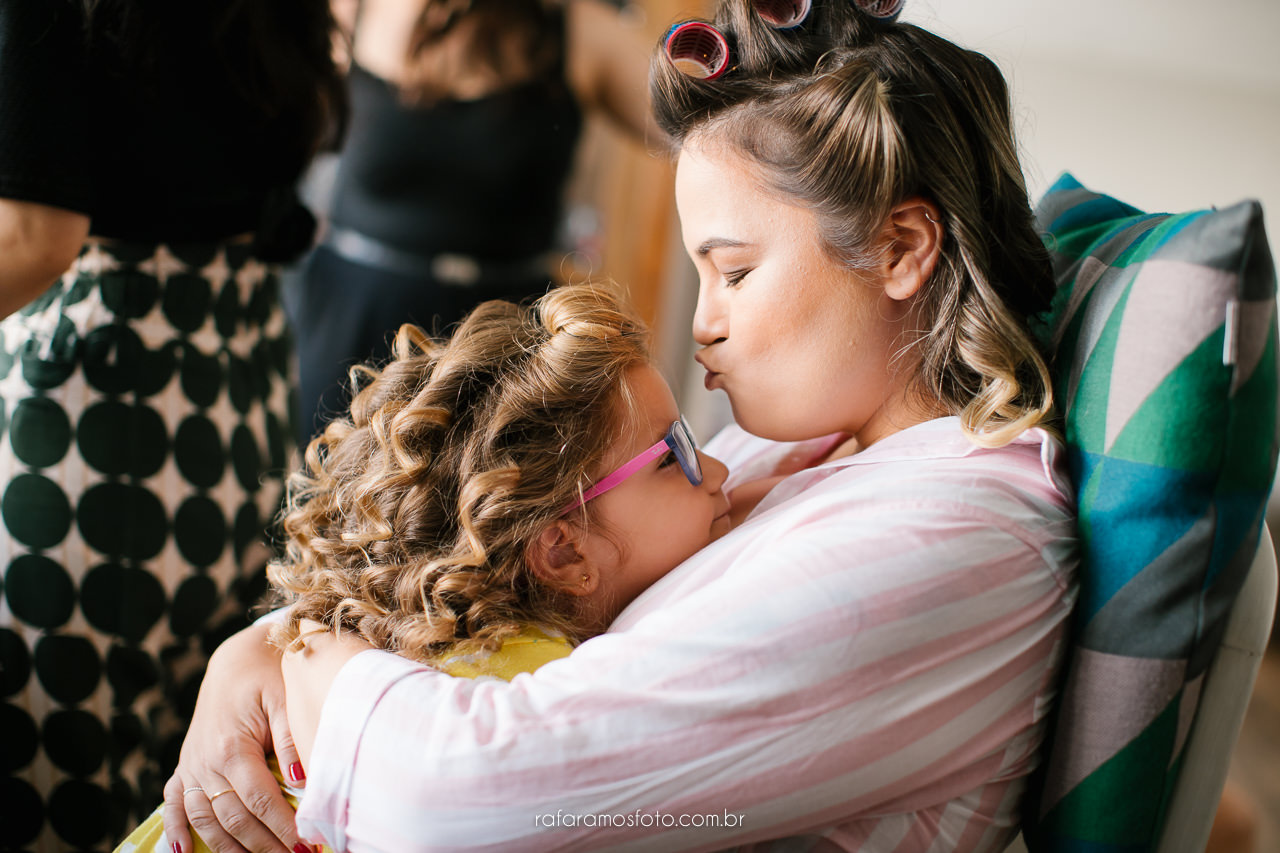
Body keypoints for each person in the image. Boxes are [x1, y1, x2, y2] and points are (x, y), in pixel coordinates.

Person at [164, 0, 1080, 850]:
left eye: (736, 271)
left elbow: (445, 800)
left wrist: (304, 648)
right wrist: (254, 652)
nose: (703, 323)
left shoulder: (955, 536)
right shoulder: (811, 440)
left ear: (900, 249)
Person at [113, 282, 731, 852]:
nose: (723, 472)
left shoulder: (405, 641)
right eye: (675, 455)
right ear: (563, 550)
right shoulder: (524, 694)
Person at [0, 2, 344, 850]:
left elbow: (29, 232)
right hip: (232, 391)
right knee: (184, 783)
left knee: (59, 784)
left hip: (98, 410)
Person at [290, 0, 657, 447]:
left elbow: (703, 125)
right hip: (351, 324)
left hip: (501, 343)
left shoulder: (580, 31)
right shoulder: (355, 10)